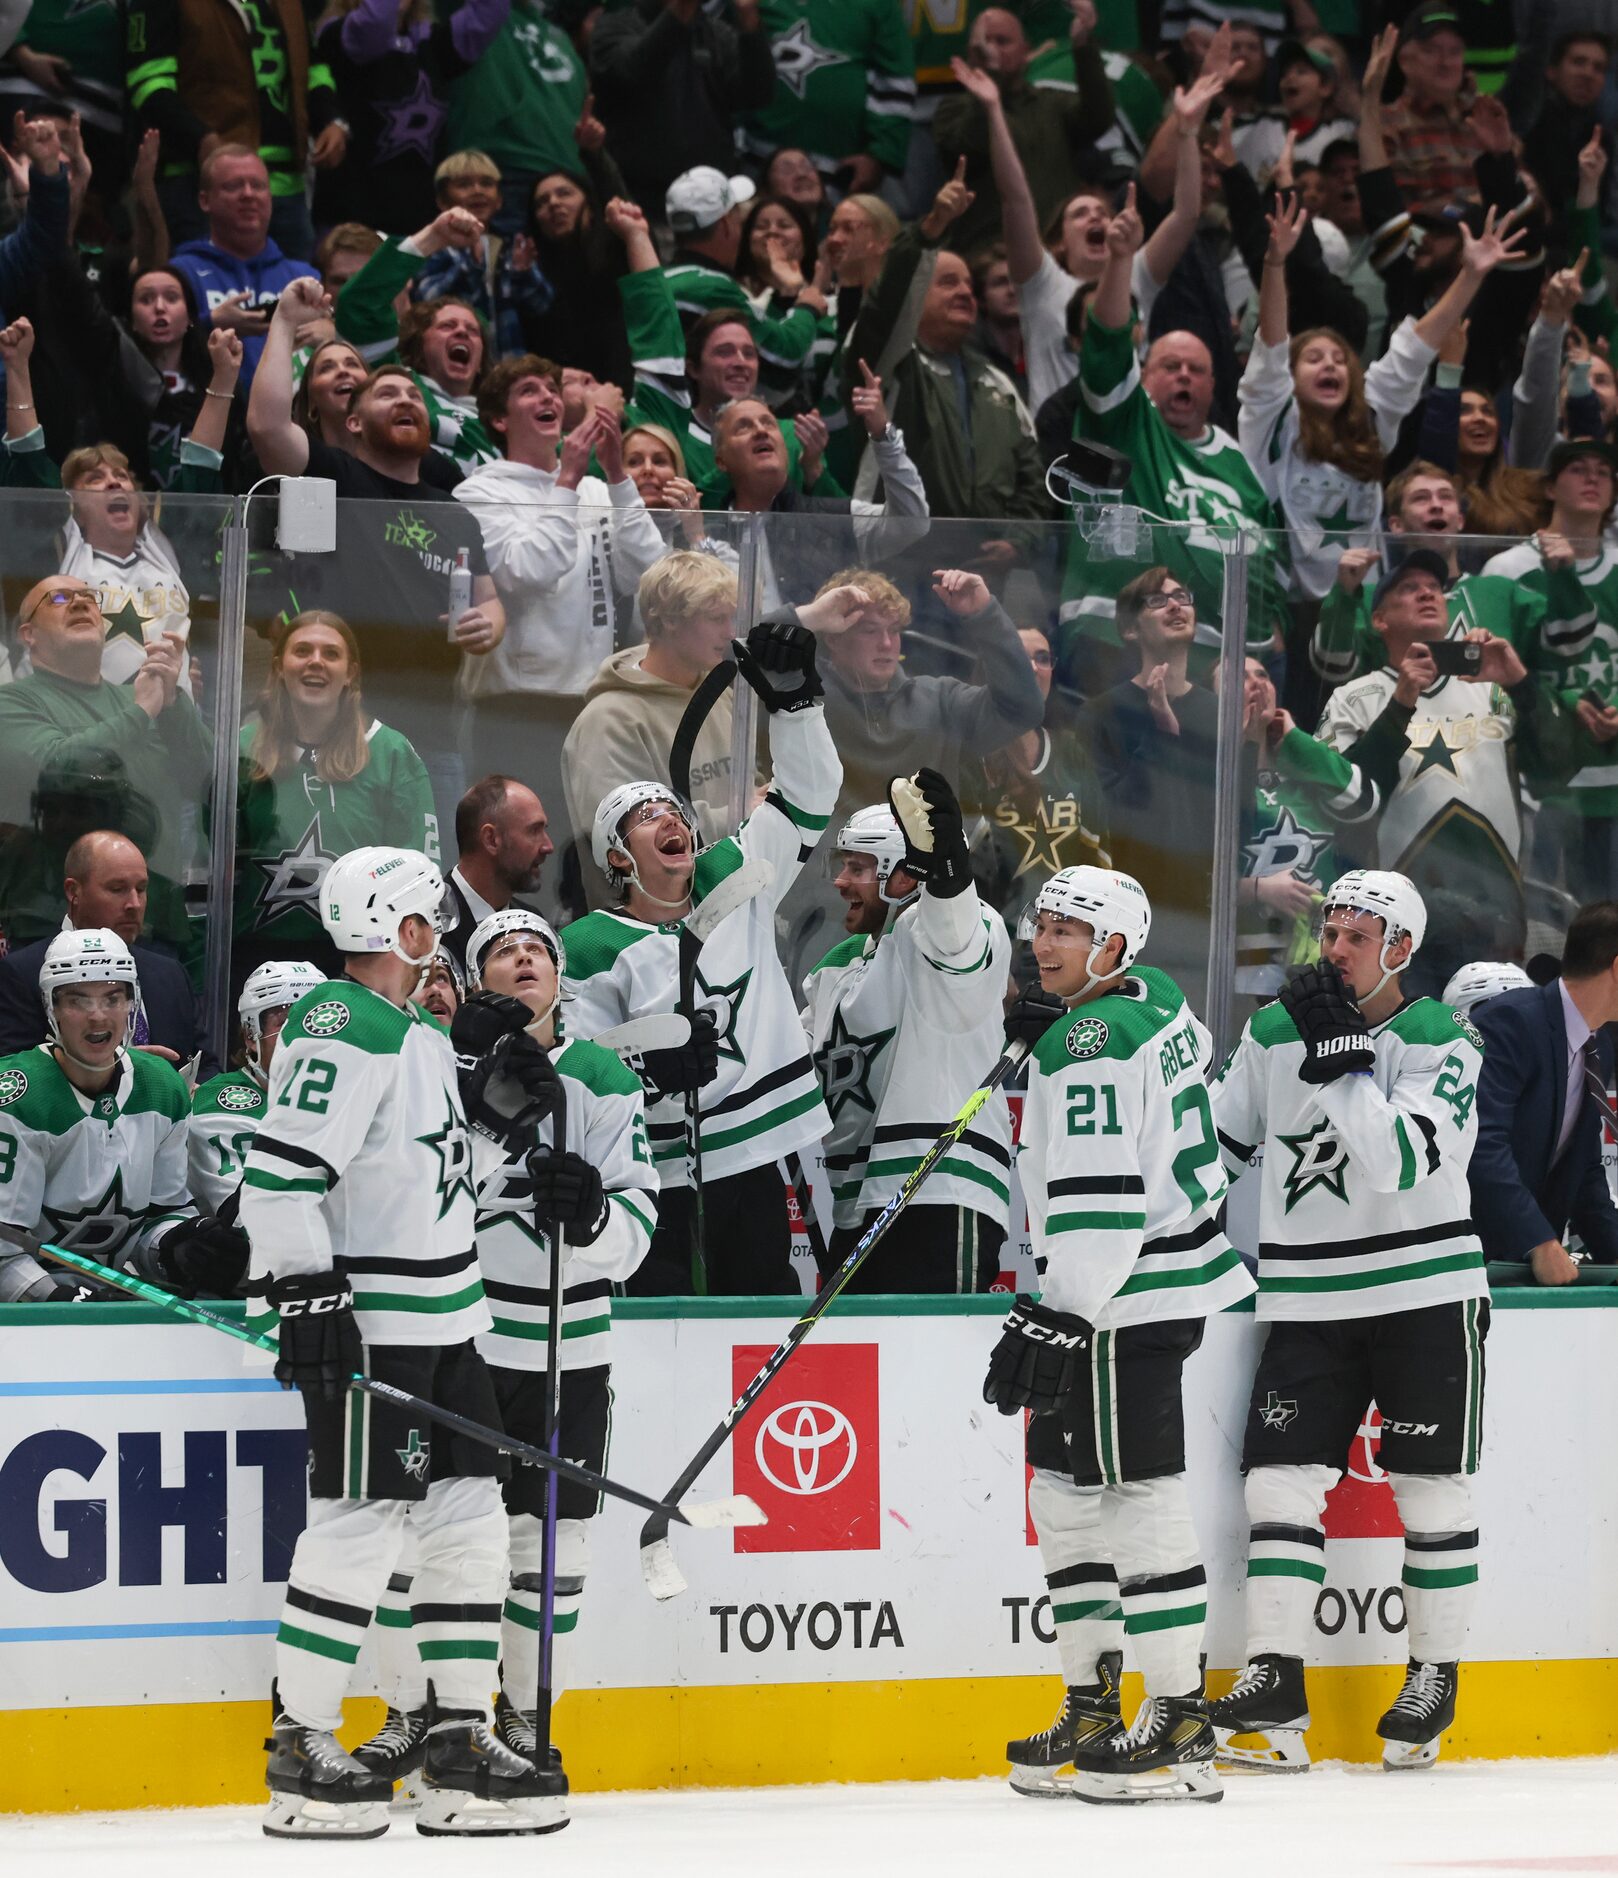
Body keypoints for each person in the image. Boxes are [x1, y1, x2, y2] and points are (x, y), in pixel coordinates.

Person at [242, 844, 558, 1836]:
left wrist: (498, 1130)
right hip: (375, 1329)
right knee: (359, 1525)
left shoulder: (413, 1036)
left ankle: (453, 1741)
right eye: (437, 930)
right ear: (408, 931)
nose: (447, 952)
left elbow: (425, 1177)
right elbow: (281, 1176)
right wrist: (308, 1297)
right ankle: (301, 1744)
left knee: (466, 1517)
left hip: (452, 1324)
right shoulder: (346, 1022)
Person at [357, 910, 656, 1781]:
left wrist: (593, 1217)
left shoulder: (600, 1075)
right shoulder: (433, 1062)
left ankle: (524, 1717)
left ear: (561, 981)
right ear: (477, 978)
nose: (522, 959)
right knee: (419, 1540)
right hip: (462, 1339)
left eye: (537, 951)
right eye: (501, 951)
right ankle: (415, 1712)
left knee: (546, 1547)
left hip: (569, 1349)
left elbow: (637, 1219)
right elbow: (414, 1189)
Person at [1209, 870, 1489, 1772]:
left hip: (1424, 1292)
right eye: (1327, 933)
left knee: (1430, 1490)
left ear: (1401, 949)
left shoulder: (1444, 1039)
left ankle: (1433, 1676)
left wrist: (1338, 1058)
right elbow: (1216, 1145)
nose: (1331, 951)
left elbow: (1397, 1159)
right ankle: (1276, 1687)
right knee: (1278, 1487)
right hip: (1308, 1297)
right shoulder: (1276, 1029)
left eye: (1355, 937)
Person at [989, 864, 1252, 1803]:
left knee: (1139, 1496)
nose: (1043, 944)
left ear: (1112, 947)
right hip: (1146, 1286)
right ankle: (1093, 1703)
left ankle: (1180, 1719)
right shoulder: (1160, 1004)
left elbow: (1101, 1201)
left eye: (1066, 931)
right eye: (1042, 927)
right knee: (1064, 1494)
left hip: (1117, 1298)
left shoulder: (1091, 1041)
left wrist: (1065, 1313)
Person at [564, 615, 842, 1295]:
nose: (671, 821)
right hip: (659, 1167)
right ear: (616, 857)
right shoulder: (588, 946)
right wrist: (645, 1070)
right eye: (645, 817)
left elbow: (810, 794)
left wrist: (797, 702)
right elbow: (578, 1062)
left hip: (757, 1149)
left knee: (763, 1309)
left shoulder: (734, 874)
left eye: (674, 811)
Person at [248, 278, 505, 826]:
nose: (407, 399)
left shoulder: (454, 511)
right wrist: (284, 322)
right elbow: (267, 425)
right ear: (355, 422)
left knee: (430, 884)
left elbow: (490, 601)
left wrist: (491, 624)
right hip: (345, 728)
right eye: (388, 394)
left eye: (414, 395)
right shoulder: (336, 478)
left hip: (435, 732)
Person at [1314, 550, 1575, 996]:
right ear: (1379, 620)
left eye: (1434, 588)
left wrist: (1520, 683)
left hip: (1497, 921)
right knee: (1411, 1050)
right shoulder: (1354, 698)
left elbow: (1560, 766)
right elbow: (1340, 807)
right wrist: (1401, 703)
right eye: (1408, 588)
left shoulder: (1493, 690)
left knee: (1495, 1050)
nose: (1427, 593)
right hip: (1395, 929)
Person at [1059, 182, 1283, 690]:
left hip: (1214, 659)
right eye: (1170, 365)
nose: (1183, 375)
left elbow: (1267, 556)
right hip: (1114, 642)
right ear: (1145, 374)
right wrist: (1120, 261)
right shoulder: (1126, 422)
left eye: (1196, 370)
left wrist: (1272, 632)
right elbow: (1109, 346)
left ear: (1212, 384)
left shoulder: (1235, 461)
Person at [803, 772, 1012, 1292]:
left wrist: (946, 879)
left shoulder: (959, 926)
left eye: (858, 867)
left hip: (938, 1191)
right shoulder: (836, 966)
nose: (840, 880)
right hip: (855, 1203)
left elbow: (954, 940)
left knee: (932, 1367)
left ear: (902, 874)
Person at [454, 356, 667, 850]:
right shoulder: (479, 491)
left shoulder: (595, 487)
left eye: (552, 389)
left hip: (590, 699)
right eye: (529, 391)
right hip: (516, 704)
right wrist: (568, 478)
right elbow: (525, 572)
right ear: (500, 419)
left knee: (587, 846)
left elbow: (648, 572)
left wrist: (615, 473)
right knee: (518, 849)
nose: (548, 398)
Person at [0, 928, 241, 1303]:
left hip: (117, 1302)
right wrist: (59, 1298)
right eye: (78, 1001)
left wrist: (177, 1249)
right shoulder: (18, 1096)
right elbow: (5, 1251)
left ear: (132, 1003)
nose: (98, 1016)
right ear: (52, 1009)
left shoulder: (162, 1086)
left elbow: (161, 1215)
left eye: (113, 998)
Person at [0, 575, 211, 961]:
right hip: (52, 928)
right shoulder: (11, 702)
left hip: (156, 927)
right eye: (59, 597)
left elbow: (209, 781)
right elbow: (59, 770)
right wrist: (142, 711)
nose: (81, 603)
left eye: (89, 597)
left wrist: (173, 697)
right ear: (28, 634)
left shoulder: (142, 699)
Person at [232, 612, 439, 983]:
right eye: (303, 651)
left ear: (351, 673)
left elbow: (418, 874)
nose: (315, 661)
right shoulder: (241, 749)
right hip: (254, 959)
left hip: (362, 961)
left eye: (330, 653)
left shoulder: (391, 753)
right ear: (279, 667)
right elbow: (209, 872)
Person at [1483, 443, 1618, 906]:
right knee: (1543, 927)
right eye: (1578, 469)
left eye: (1604, 471)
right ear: (1549, 486)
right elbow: (1490, 677)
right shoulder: (1508, 568)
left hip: (1613, 782)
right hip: (1540, 784)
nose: (1593, 478)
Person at [1081, 568, 1231, 974]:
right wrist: (1161, 731)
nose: (1176, 605)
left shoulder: (1218, 714)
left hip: (1204, 910)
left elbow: (1227, 818)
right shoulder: (1103, 712)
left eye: (1182, 596)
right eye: (1157, 600)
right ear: (1130, 629)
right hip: (1128, 909)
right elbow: (1112, 810)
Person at [817, 566, 1046, 822]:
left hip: (923, 861)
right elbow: (763, 653)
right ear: (833, 637)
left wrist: (985, 615)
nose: (886, 643)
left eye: (894, 631)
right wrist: (810, 617)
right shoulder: (803, 702)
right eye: (870, 630)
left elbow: (1023, 710)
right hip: (834, 861)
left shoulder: (940, 701)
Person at [1468, 902, 1618, 1284]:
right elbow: (1481, 1145)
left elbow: (1583, 1170)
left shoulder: (1598, 1041)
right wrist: (1539, 1242)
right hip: (1467, 1266)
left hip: (1527, 1273)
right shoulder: (1511, 1022)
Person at [560, 552, 743, 865]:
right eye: (716, 619)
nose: (729, 633)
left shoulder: (720, 697)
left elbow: (752, 789)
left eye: (732, 618)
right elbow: (627, 838)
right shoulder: (608, 721)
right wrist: (741, 815)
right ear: (670, 620)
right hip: (649, 911)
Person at [124, 0, 341, 256]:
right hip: (200, 185)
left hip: (286, 186)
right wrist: (202, 139)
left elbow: (313, 68)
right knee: (207, 290)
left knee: (299, 290)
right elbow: (147, 85)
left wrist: (332, 121)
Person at [0, 830, 209, 1067]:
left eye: (141, 889)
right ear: (73, 892)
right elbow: (10, 1075)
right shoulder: (23, 974)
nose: (134, 903)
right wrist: (121, 1071)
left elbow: (206, 1065)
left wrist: (196, 1091)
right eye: (117, 889)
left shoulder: (170, 974)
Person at [313, 0, 510, 236]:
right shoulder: (341, 35)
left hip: (419, 223)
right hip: (352, 220)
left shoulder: (430, 43)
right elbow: (375, 23)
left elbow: (489, 12)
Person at [932, 7, 1114, 260]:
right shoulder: (954, 109)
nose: (992, 49)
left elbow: (1099, 118)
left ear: (1026, 51)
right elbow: (971, 148)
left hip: (1054, 252)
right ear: (970, 55)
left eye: (1002, 41)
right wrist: (989, 77)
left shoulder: (1050, 104)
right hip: (990, 255)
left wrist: (1083, 47)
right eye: (983, 45)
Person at [333, 207, 502, 474]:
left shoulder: (506, 418)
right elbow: (359, 306)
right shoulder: (396, 384)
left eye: (472, 330)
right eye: (448, 326)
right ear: (419, 344)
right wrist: (433, 237)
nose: (461, 332)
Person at [971, 622, 1111, 944]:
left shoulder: (1071, 752)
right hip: (985, 950)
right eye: (1020, 657)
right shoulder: (967, 753)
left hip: (1063, 950)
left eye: (1043, 658)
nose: (1033, 667)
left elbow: (1098, 859)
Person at [587, 0, 775, 217]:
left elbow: (756, 95)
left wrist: (749, 20)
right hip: (641, 207)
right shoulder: (614, 26)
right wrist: (680, 11)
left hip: (711, 206)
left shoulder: (715, 32)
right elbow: (631, 71)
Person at [188, 959, 323, 1216]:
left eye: (316, 1021)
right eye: (285, 1022)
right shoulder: (218, 1109)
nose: (306, 1036)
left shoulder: (353, 1093)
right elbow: (253, 1219)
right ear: (251, 1035)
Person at [738, 0, 915, 195]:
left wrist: (880, 155)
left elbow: (894, 80)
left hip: (842, 172)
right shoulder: (746, 4)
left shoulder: (878, 4)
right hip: (757, 159)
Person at [166, 148, 310, 385]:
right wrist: (209, 324)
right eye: (233, 186)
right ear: (204, 200)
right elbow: (153, 346)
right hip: (208, 412)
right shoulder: (180, 274)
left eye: (258, 185)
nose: (248, 194)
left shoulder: (303, 277)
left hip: (292, 416)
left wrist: (331, 334)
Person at [439, 776, 555, 973]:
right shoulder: (427, 924)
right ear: (491, 839)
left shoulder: (533, 921)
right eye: (534, 831)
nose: (548, 846)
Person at [1378, 3, 1483, 219]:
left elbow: (1529, 193)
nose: (1445, 62)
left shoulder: (1485, 115)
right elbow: (1396, 213)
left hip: (1504, 242)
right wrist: (1468, 211)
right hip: (1433, 245)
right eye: (1431, 51)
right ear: (1404, 60)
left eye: (1455, 51)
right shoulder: (1387, 124)